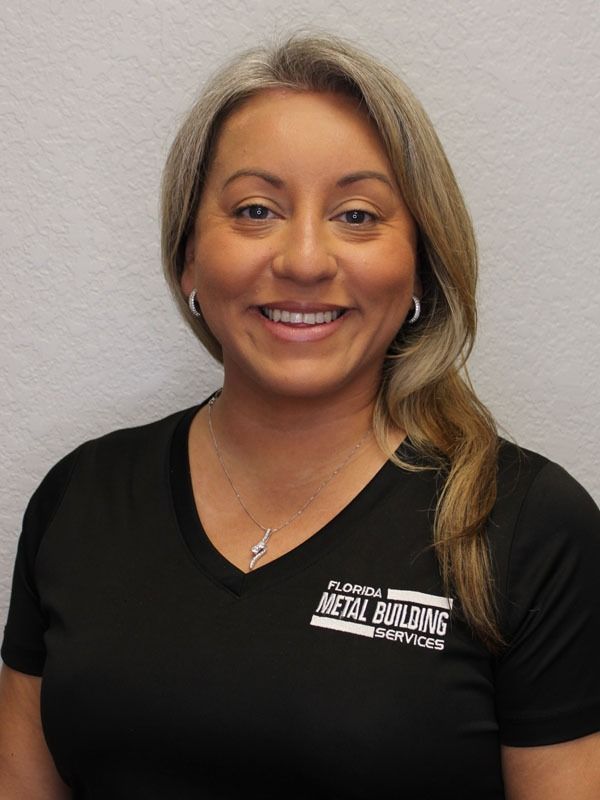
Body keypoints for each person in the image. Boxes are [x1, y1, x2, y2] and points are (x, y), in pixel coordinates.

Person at [1, 33, 599, 800]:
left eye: (357, 215)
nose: (306, 260)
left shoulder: (526, 527)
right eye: (256, 210)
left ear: (420, 263)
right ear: (188, 256)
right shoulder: (81, 497)